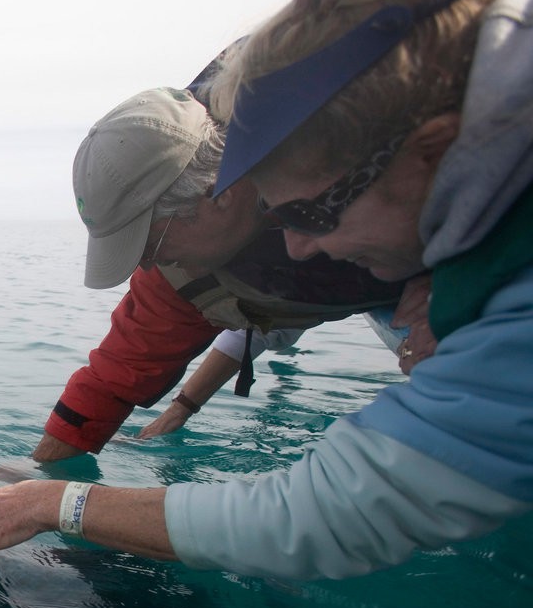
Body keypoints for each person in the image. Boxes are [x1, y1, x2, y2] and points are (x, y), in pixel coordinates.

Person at [0, 0, 531, 579]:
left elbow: (327, 516)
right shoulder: (209, 259)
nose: (299, 245)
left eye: (311, 214)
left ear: (227, 192)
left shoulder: (503, 292)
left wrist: (453, 286)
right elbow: (112, 381)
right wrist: (29, 485)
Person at [36, 87, 406, 462]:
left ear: (217, 194)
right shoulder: (176, 273)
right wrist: (31, 478)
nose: (148, 265)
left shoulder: (361, 130)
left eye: (150, 244)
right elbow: (115, 376)